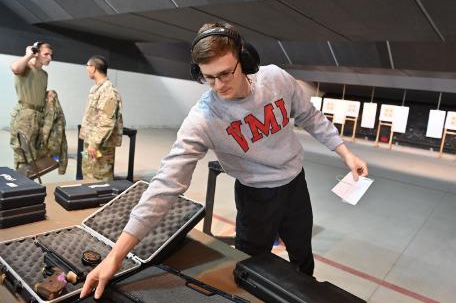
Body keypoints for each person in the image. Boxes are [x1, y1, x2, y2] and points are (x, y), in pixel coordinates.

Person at [80, 22, 368, 299]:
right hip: (255, 198)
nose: (218, 85)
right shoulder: (204, 118)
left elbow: (310, 116)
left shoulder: (276, 79)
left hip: (295, 185)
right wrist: (117, 256)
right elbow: (167, 182)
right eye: (208, 77)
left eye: (226, 74)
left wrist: (345, 151)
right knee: (250, 269)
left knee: (303, 257)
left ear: (244, 59)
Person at [79, 55, 123, 181]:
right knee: (88, 172)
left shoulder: (108, 91)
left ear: (93, 68)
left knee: (100, 177)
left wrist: (94, 144)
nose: (86, 69)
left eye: (87, 66)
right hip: (91, 142)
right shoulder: (96, 88)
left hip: (99, 145)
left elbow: (106, 121)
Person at [9, 42, 53, 168]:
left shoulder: (44, 75)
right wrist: (29, 55)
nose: (50, 58)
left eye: (51, 55)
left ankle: (30, 185)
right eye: (46, 54)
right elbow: (15, 68)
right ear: (37, 53)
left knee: (35, 157)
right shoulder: (25, 67)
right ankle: (21, 186)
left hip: (38, 117)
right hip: (24, 117)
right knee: (23, 156)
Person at [41, 90, 68, 174]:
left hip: (48, 150)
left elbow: (63, 143)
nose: (50, 100)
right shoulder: (58, 115)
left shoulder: (57, 116)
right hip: (48, 150)